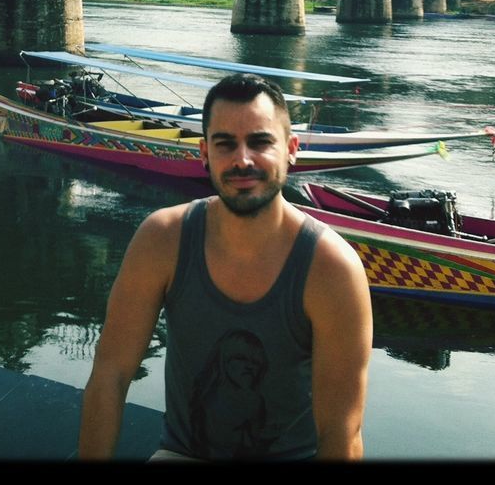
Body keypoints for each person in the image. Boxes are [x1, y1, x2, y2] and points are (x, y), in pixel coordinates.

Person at [77, 73, 373, 461]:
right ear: (204, 153)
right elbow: (110, 375)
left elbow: (341, 434)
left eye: (260, 141)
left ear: (292, 149)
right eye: (225, 143)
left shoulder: (331, 268)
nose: (242, 159)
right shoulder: (163, 239)